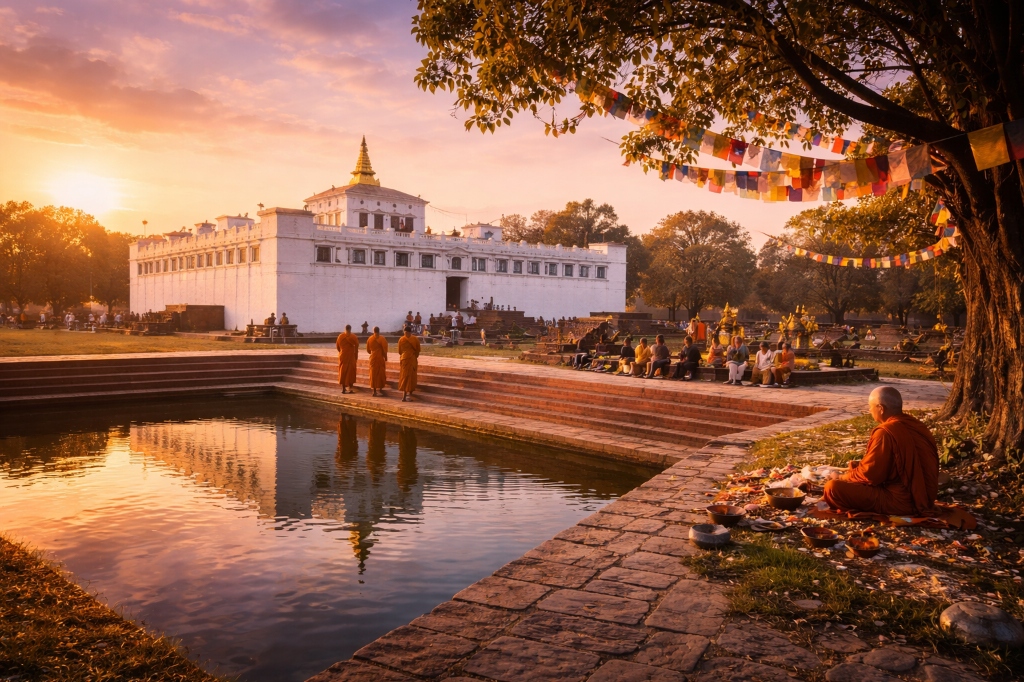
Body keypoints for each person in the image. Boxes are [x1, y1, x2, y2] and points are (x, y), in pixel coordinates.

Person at [823, 387, 939, 516]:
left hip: (900, 502)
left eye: (871, 407)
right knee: (855, 469)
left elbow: (871, 475)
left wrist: (841, 477)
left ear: (881, 408)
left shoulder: (885, 432)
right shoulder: (918, 426)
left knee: (832, 488)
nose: (870, 410)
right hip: (925, 498)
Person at [398, 326, 421, 402]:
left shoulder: (403, 339)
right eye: (405, 333)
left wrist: (406, 355)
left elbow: (399, 351)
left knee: (407, 376)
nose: (405, 334)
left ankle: (406, 395)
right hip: (409, 359)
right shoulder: (412, 339)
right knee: (408, 376)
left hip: (406, 359)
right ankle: (406, 395)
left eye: (406, 332)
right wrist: (414, 356)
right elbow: (418, 350)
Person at [336, 324, 359, 393]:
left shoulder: (340, 336)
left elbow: (337, 347)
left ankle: (343, 389)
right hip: (351, 356)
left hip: (343, 355)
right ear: (350, 329)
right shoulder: (353, 337)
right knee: (351, 371)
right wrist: (356, 356)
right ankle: (350, 388)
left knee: (343, 370)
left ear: (345, 329)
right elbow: (356, 347)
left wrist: (341, 352)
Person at [366, 326, 388, 397]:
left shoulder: (370, 339)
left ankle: (374, 391)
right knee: (380, 373)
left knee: (373, 374)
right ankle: (380, 389)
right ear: (379, 331)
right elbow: (385, 350)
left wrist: (373, 352)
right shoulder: (382, 339)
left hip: (373, 358)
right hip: (380, 358)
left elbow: (368, 350)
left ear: (373, 331)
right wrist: (385, 357)